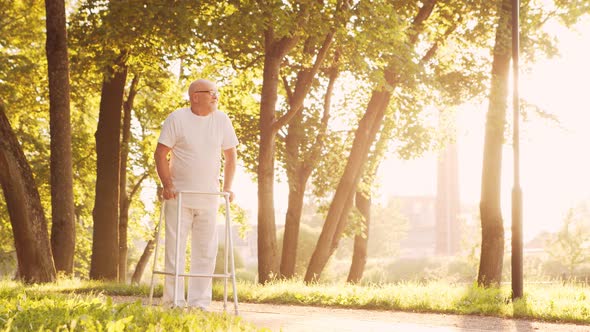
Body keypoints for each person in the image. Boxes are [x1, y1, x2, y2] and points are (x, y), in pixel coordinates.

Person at [154, 78, 238, 310]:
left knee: (206, 252)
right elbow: (161, 154)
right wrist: (167, 183)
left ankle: (199, 304)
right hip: (178, 197)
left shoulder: (221, 120)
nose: (216, 97)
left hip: (209, 198)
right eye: (211, 92)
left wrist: (228, 187)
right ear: (195, 96)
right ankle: (174, 302)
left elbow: (231, 157)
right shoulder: (177, 119)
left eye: (216, 93)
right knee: (175, 251)